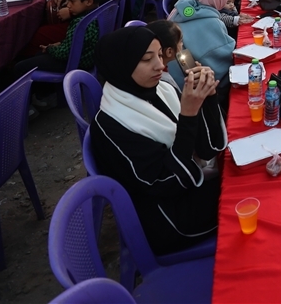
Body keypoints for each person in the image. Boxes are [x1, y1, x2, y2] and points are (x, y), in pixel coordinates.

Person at [90, 26, 226, 255]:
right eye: (146, 59)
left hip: (188, 188)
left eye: (160, 55)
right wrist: (189, 115)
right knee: (249, 197)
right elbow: (167, 181)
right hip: (169, 218)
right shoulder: (111, 125)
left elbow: (206, 149)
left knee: (252, 178)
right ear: (120, 64)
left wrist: (208, 97)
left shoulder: (159, 88)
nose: (160, 66)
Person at [14, 0, 104, 79]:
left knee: (21, 67)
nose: (68, 5)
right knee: (39, 54)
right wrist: (61, 44)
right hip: (85, 58)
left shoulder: (81, 23)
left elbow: (64, 53)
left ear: (88, 1)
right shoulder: (98, 12)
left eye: (72, 1)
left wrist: (50, 48)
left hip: (75, 63)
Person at [168, 0, 236, 87]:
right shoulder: (211, 22)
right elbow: (222, 61)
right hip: (190, 87)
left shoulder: (185, 5)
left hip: (173, 78)